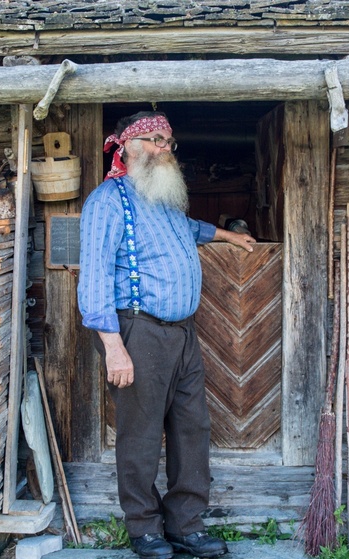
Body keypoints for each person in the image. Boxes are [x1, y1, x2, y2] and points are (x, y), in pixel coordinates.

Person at [78, 111, 255, 559]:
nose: (166, 149)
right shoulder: (108, 201)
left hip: (183, 334)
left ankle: (185, 526)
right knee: (140, 433)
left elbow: (186, 230)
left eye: (169, 142)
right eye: (157, 139)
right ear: (129, 146)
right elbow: (94, 277)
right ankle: (143, 528)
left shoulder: (164, 198)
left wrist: (224, 235)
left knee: (192, 429)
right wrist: (114, 347)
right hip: (138, 331)